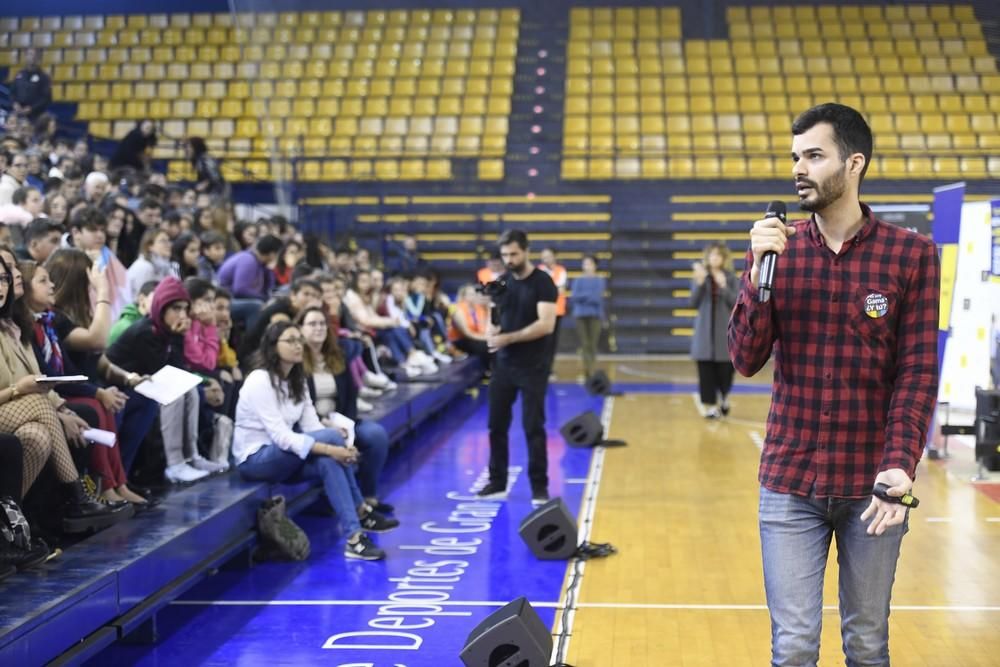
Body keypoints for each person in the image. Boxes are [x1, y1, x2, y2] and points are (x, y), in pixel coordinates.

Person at [727, 103, 940, 667]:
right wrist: (756, 278)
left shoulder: (911, 255)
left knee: (867, 644)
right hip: (789, 482)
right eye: (795, 156)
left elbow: (917, 372)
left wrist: (901, 463)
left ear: (854, 164)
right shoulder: (778, 252)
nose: (799, 167)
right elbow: (745, 359)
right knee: (793, 648)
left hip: (873, 487)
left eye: (814, 156)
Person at [233, 321, 397, 561]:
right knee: (332, 443)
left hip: (284, 457)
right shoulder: (260, 379)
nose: (298, 345)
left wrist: (338, 448)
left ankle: (354, 537)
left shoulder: (297, 379)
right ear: (272, 346)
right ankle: (362, 509)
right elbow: (281, 436)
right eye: (290, 341)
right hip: (256, 459)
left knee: (328, 461)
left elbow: (312, 427)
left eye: (299, 340)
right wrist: (333, 446)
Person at [0, 253, 130, 532]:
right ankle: (77, 498)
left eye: (4, 278)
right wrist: (17, 390)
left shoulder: (14, 325)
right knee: (50, 405)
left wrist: (61, 409)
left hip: (23, 408)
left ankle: (12, 527)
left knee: (36, 436)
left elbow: (41, 377)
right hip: (12, 403)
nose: (6, 284)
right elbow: (26, 386)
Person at [477, 230, 557, 506]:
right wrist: (492, 328)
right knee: (495, 425)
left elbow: (546, 324)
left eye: (513, 254)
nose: (509, 260)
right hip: (504, 365)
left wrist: (507, 338)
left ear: (526, 251)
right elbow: (493, 323)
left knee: (533, 426)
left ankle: (539, 486)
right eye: (504, 255)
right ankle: (497, 480)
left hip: (533, 366)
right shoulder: (502, 283)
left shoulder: (543, 283)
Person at [298, 306, 393, 513]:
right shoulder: (296, 361)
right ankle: (349, 504)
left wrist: (346, 427)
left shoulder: (337, 356)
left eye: (322, 323)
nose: (319, 328)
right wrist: (325, 423)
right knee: (334, 440)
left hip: (340, 419)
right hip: (312, 423)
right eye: (312, 324)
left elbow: (350, 395)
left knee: (376, 435)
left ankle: (370, 497)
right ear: (300, 329)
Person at [690, 244, 739, 418]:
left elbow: (736, 303)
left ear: (724, 259)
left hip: (724, 334)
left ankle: (724, 397)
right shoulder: (700, 277)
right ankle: (710, 406)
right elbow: (692, 303)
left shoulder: (731, 278)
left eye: (718, 255)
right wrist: (701, 282)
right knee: (705, 372)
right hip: (704, 334)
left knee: (726, 372)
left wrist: (724, 286)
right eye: (711, 255)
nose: (715, 258)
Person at [569, 255, 606, 380]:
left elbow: (597, 297)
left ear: (595, 265)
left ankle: (592, 370)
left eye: (589, 263)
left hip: (595, 315)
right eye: (585, 264)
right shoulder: (578, 280)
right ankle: (587, 372)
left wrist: (583, 297)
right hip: (580, 315)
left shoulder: (600, 280)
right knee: (584, 343)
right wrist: (588, 296)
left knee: (593, 344)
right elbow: (575, 297)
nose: (587, 266)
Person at [537, 247, 567, 378]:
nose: (545, 259)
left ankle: (549, 369)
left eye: (548, 256)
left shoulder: (561, 271)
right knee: (540, 341)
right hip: (540, 311)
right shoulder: (539, 270)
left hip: (556, 311)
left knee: (552, 341)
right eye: (543, 256)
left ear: (555, 256)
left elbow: (559, 290)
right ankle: (539, 367)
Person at [10, 48, 52, 120]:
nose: (32, 57)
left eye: (35, 55)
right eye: (29, 54)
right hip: (18, 113)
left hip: (36, 115)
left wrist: (31, 108)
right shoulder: (19, 74)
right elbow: (12, 92)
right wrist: (14, 104)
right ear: (25, 56)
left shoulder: (44, 77)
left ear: (39, 58)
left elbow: (46, 98)